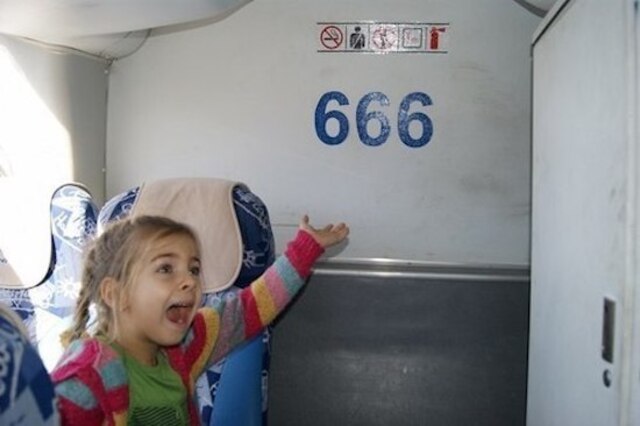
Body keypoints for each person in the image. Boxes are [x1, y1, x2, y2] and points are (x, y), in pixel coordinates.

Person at [51, 214, 349, 425]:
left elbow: (252, 307)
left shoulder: (185, 347)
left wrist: (305, 249)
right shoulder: (86, 376)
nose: (190, 281)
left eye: (193, 269)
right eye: (166, 269)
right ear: (115, 294)